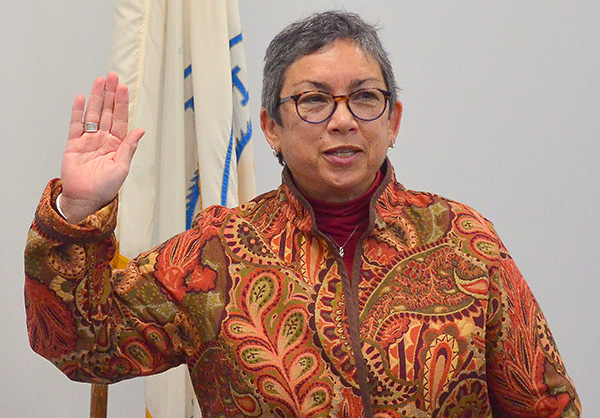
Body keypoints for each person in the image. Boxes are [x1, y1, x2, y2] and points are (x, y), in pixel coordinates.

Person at [24, 10, 580, 418]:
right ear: (270, 127)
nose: (342, 121)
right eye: (314, 100)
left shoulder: (465, 241)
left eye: (364, 97)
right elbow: (78, 343)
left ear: (394, 121)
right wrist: (79, 207)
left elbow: (547, 403)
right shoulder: (218, 251)